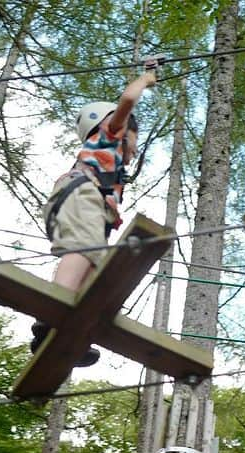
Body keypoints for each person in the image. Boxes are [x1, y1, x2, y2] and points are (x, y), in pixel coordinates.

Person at [31, 67, 158, 366]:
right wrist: (145, 79)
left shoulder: (113, 173)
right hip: (80, 194)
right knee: (84, 250)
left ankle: (68, 328)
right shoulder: (108, 136)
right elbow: (127, 100)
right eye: (134, 141)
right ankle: (52, 312)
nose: (134, 151)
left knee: (92, 271)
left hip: (85, 204)